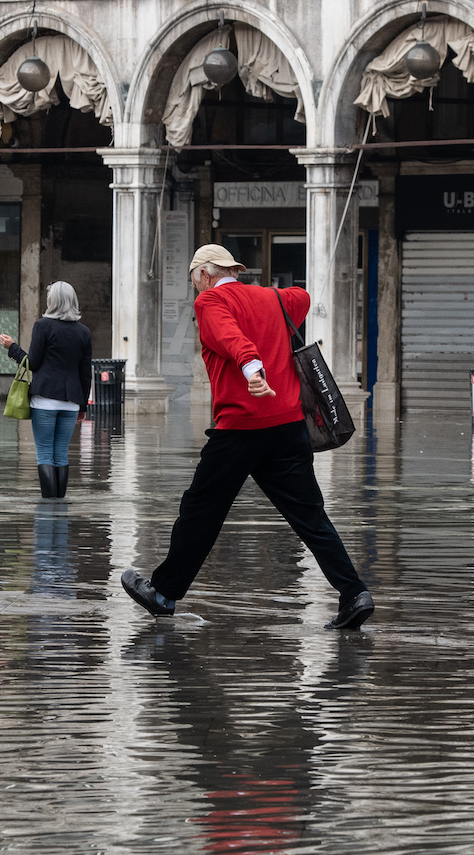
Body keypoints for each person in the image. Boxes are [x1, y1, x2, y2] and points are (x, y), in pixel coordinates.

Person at [121, 244, 374, 630]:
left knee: (200, 511)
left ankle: (162, 593)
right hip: (288, 427)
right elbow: (302, 298)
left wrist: (253, 368)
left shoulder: (210, 302)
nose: (196, 291)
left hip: (241, 428)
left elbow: (232, 338)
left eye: (194, 282)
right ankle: (354, 593)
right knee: (309, 516)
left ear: (205, 274)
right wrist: (270, 312)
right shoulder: (273, 297)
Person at [0, 280, 93, 499]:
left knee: (44, 455)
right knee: (61, 455)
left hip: (44, 400)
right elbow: (85, 372)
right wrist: (82, 405)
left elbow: (33, 363)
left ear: (53, 301)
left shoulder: (43, 326)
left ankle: (49, 505)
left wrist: (12, 348)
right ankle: (59, 504)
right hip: (71, 402)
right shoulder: (83, 332)